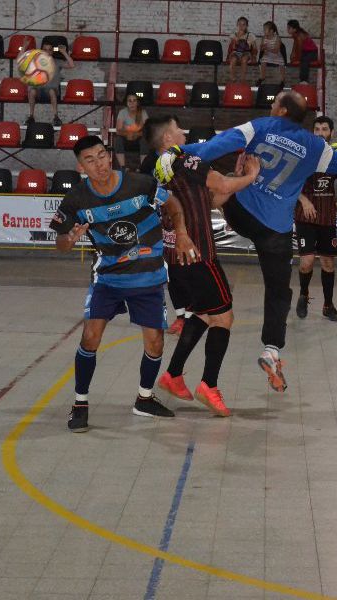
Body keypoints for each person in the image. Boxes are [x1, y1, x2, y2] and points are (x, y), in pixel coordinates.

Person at [154, 90, 337, 393]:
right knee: (278, 291)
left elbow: (214, 146)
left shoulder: (261, 126)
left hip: (240, 212)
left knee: (219, 184)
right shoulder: (316, 147)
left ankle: (197, 209)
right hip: (274, 228)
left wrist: (177, 153)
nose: (271, 106)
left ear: (283, 111)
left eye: (275, 104)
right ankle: (272, 350)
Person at [49, 136, 199, 433]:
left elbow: (173, 203)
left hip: (148, 275)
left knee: (155, 341)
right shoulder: (76, 200)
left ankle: (144, 398)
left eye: (102, 156)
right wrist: (69, 239)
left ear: (110, 155)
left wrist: (181, 233)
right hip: (108, 277)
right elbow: (60, 243)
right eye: (90, 160)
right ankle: (80, 403)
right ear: (81, 166)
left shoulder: (140, 184)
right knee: (90, 336)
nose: (99, 164)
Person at [143, 115, 261, 416]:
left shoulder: (162, 168)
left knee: (204, 314)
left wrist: (235, 180)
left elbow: (211, 197)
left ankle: (173, 374)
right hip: (198, 254)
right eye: (176, 130)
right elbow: (220, 183)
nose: (183, 133)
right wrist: (251, 176)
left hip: (177, 255)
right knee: (224, 317)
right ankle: (209, 385)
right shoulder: (183, 159)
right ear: (167, 139)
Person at [295, 116, 337, 322]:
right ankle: (303, 294)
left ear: (331, 133)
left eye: (324, 129)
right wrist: (304, 200)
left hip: (327, 218)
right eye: (317, 129)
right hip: (305, 217)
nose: (320, 132)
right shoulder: (303, 155)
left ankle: (328, 305)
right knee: (306, 262)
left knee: (328, 264)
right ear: (312, 132)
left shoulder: (336, 158)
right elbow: (289, 182)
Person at [26, 42, 74, 126]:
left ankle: (56, 117)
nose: (47, 52)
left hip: (51, 91)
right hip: (38, 90)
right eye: (45, 50)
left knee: (51, 91)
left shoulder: (57, 62)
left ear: (52, 51)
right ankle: (31, 116)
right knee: (32, 91)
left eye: (49, 50)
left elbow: (72, 65)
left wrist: (64, 52)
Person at [114, 94, 149, 169]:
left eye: (134, 101)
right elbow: (118, 130)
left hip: (138, 139)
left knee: (145, 141)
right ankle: (123, 167)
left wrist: (136, 134)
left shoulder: (143, 113)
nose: (132, 103)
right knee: (118, 140)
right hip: (126, 139)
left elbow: (147, 129)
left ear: (137, 103)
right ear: (126, 103)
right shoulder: (122, 112)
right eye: (129, 101)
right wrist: (127, 134)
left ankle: (143, 167)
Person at [287, 19, 318, 84]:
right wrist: (292, 54)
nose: (287, 29)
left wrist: (297, 59)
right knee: (301, 58)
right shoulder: (295, 34)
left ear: (294, 29)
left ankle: (304, 80)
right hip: (306, 51)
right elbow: (295, 44)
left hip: (313, 52)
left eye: (289, 28)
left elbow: (299, 49)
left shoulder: (300, 35)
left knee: (304, 60)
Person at [227, 17, 257, 83]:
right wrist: (235, 41)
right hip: (236, 52)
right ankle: (233, 79)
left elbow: (255, 48)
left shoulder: (251, 35)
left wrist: (254, 56)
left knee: (244, 59)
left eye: (243, 24)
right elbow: (231, 48)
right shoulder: (233, 35)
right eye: (240, 24)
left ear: (246, 26)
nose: (241, 26)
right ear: (237, 25)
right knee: (233, 59)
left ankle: (242, 79)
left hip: (246, 53)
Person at [257, 21, 286, 87]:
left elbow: (277, 50)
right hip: (267, 55)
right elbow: (261, 48)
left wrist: (267, 48)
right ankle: (262, 76)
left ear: (271, 31)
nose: (264, 31)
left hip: (276, 55)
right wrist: (262, 48)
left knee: (281, 64)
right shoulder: (263, 38)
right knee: (263, 62)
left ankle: (282, 80)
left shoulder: (277, 38)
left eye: (265, 29)